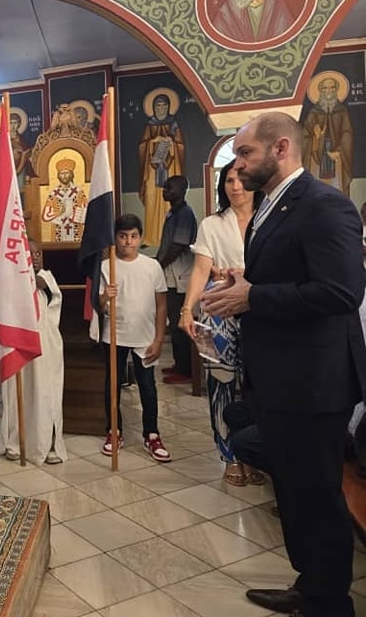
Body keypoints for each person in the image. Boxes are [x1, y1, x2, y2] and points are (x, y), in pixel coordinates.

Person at [201, 111, 366, 617]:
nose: (237, 164)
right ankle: (311, 586)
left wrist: (254, 297)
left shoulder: (324, 205)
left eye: (245, 153)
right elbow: (288, 273)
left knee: (315, 495)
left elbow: (341, 292)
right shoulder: (272, 205)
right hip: (283, 380)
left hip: (315, 383)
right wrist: (242, 281)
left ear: (280, 149)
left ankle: (330, 603)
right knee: (295, 493)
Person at [178, 160, 264, 487]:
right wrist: (187, 310)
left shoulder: (267, 218)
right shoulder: (212, 224)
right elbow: (201, 269)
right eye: (229, 180)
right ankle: (229, 456)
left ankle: (253, 453)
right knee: (221, 384)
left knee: (258, 386)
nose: (236, 186)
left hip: (260, 309)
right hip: (217, 310)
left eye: (242, 179)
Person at [97, 214, 171, 462]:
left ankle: (152, 434)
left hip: (145, 337)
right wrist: (106, 296)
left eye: (133, 236)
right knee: (112, 385)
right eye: (123, 236)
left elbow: (161, 305)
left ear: (140, 238)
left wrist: (159, 339)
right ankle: (114, 430)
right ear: (115, 238)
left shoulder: (152, 266)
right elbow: (98, 305)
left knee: (147, 386)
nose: (128, 241)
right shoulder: (106, 267)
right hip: (114, 335)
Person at [0, 238, 67, 465]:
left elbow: (36, 282)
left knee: (46, 394)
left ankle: (48, 443)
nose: (36, 258)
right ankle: (16, 441)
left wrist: (18, 274)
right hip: (21, 344)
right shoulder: (13, 281)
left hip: (46, 345)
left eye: (38, 254)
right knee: (21, 394)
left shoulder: (45, 276)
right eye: (30, 254)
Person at [156, 175, 197, 383]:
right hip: (171, 276)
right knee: (173, 322)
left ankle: (187, 370)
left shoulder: (185, 214)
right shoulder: (173, 213)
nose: (165, 191)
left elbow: (177, 246)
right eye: (164, 188)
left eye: (169, 188)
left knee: (180, 323)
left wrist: (158, 265)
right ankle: (179, 364)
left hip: (180, 276)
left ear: (182, 190)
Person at [138, 93, 184, 247]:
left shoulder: (173, 124)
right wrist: (153, 141)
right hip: (152, 169)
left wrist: (172, 143)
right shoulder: (149, 124)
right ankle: (150, 238)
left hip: (169, 167)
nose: (161, 108)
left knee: (167, 203)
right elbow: (142, 146)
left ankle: (167, 238)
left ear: (169, 106)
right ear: (153, 108)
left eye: (164, 105)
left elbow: (180, 146)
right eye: (158, 105)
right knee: (152, 200)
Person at [302, 75, 354, 195]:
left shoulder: (342, 111)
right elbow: (304, 135)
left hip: (337, 155)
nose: (328, 91)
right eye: (325, 88)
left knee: (337, 189)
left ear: (336, 90)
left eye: (332, 88)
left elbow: (347, 133)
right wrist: (315, 138)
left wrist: (340, 150)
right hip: (316, 156)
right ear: (320, 91)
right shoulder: (314, 112)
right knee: (317, 191)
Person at [41, 158, 88, 242]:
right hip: (59, 228)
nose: (64, 176)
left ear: (71, 174)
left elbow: (86, 210)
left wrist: (77, 214)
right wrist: (58, 212)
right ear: (58, 176)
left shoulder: (79, 192)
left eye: (67, 173)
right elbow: (45, 216)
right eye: (62, 173)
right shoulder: (54, 194)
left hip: (75, 228)